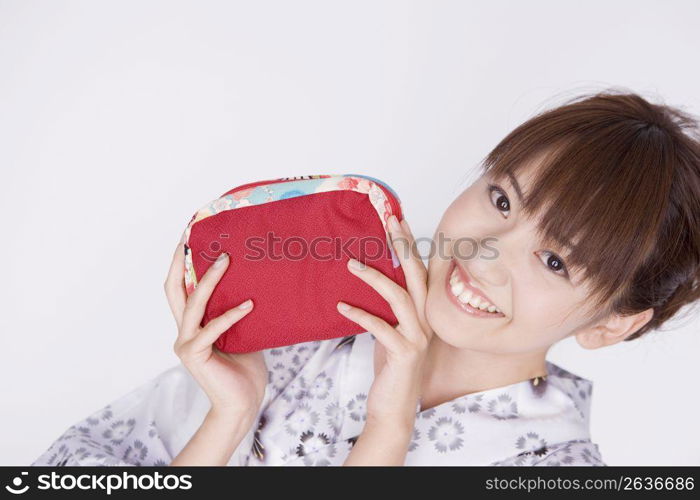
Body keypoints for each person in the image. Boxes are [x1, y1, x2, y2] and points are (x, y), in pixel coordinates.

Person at [31, 90, 700, 466]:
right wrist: (229, 416)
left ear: (615, 321)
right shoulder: (301, 330)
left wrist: (389, 425)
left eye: (555, 261)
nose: (487, 253)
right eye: (501, 200)